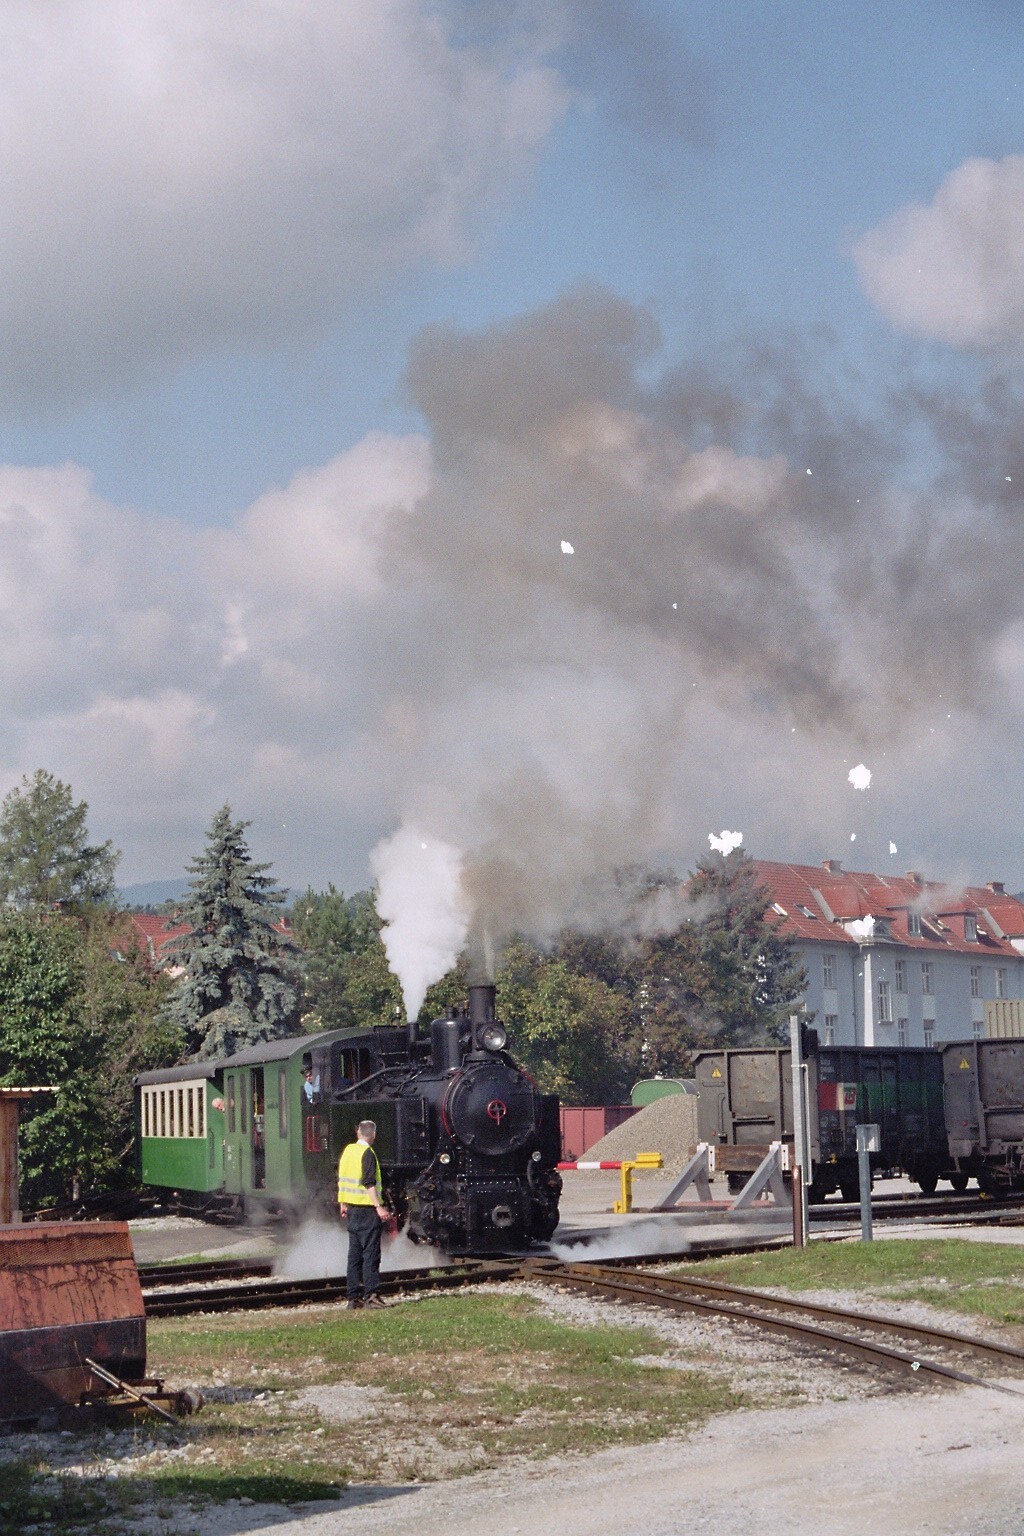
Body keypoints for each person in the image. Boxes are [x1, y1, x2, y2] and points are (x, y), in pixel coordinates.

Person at [337, 1119, 389, 1309]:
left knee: (354, 1256)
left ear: (358, 1132)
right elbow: (369, 1182)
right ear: (373, 1135)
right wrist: (378, 1207)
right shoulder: (368, 1153)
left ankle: (353, 1298)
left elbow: (342, 1179)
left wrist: (342, 1203)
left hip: (351, 1210)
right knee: (371, 1255)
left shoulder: (348, 1151)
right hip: (367, 1211)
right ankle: (372, 1295)